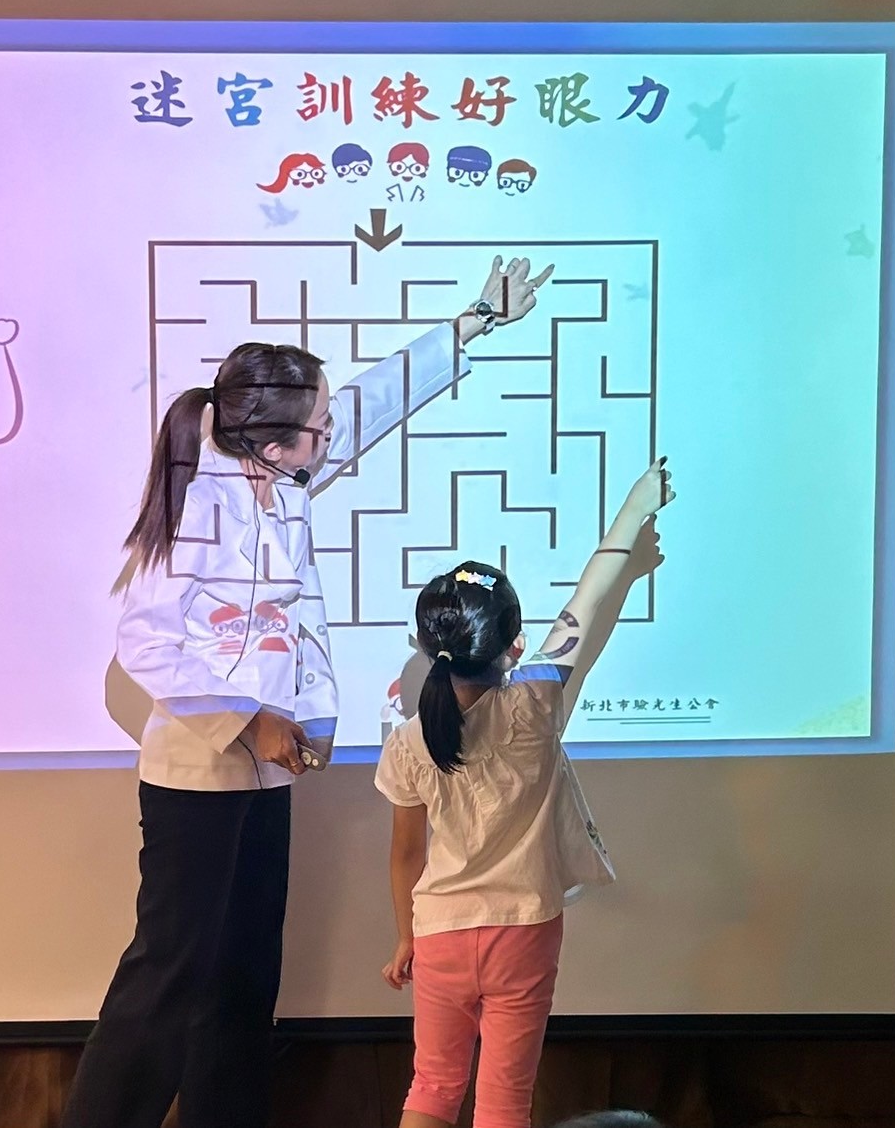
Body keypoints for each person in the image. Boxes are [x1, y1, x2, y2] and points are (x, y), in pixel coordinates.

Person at [60, 256, 554, 1128]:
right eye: (318, 429)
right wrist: (249, 721)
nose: (332, 436)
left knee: (244, 979)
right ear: (270, 440)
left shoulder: (282, 478)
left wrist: (473, 321)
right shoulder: (199, 506)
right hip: (197, 780)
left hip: (262, 777)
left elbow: (368, 406)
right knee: (169, 977)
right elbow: (145, 643)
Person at [376, 459, 677, 1128]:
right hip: (524, 930)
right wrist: (633, 512)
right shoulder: (536, 704)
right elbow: (584, 609)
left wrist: (406, 937)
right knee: (505, 1100)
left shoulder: (406, 742)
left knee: (431, 1087)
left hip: (440, 931)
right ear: (514, 647)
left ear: (425, 646)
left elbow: (405, 855)